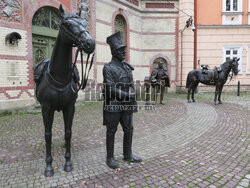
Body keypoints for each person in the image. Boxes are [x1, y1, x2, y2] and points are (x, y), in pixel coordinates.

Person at [103, 32, 142, 169]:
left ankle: (128, 154)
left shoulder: (127, 67)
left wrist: (132, 91)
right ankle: (110, 158)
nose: (124, 52)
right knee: (111, 130)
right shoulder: (108, 68)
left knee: (129, 129)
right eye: (121, 50)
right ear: (114, 51)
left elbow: (131, 84)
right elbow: (109, 88)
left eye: (124, 49)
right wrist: (126, 95)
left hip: (127, 105)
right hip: (114, 103)